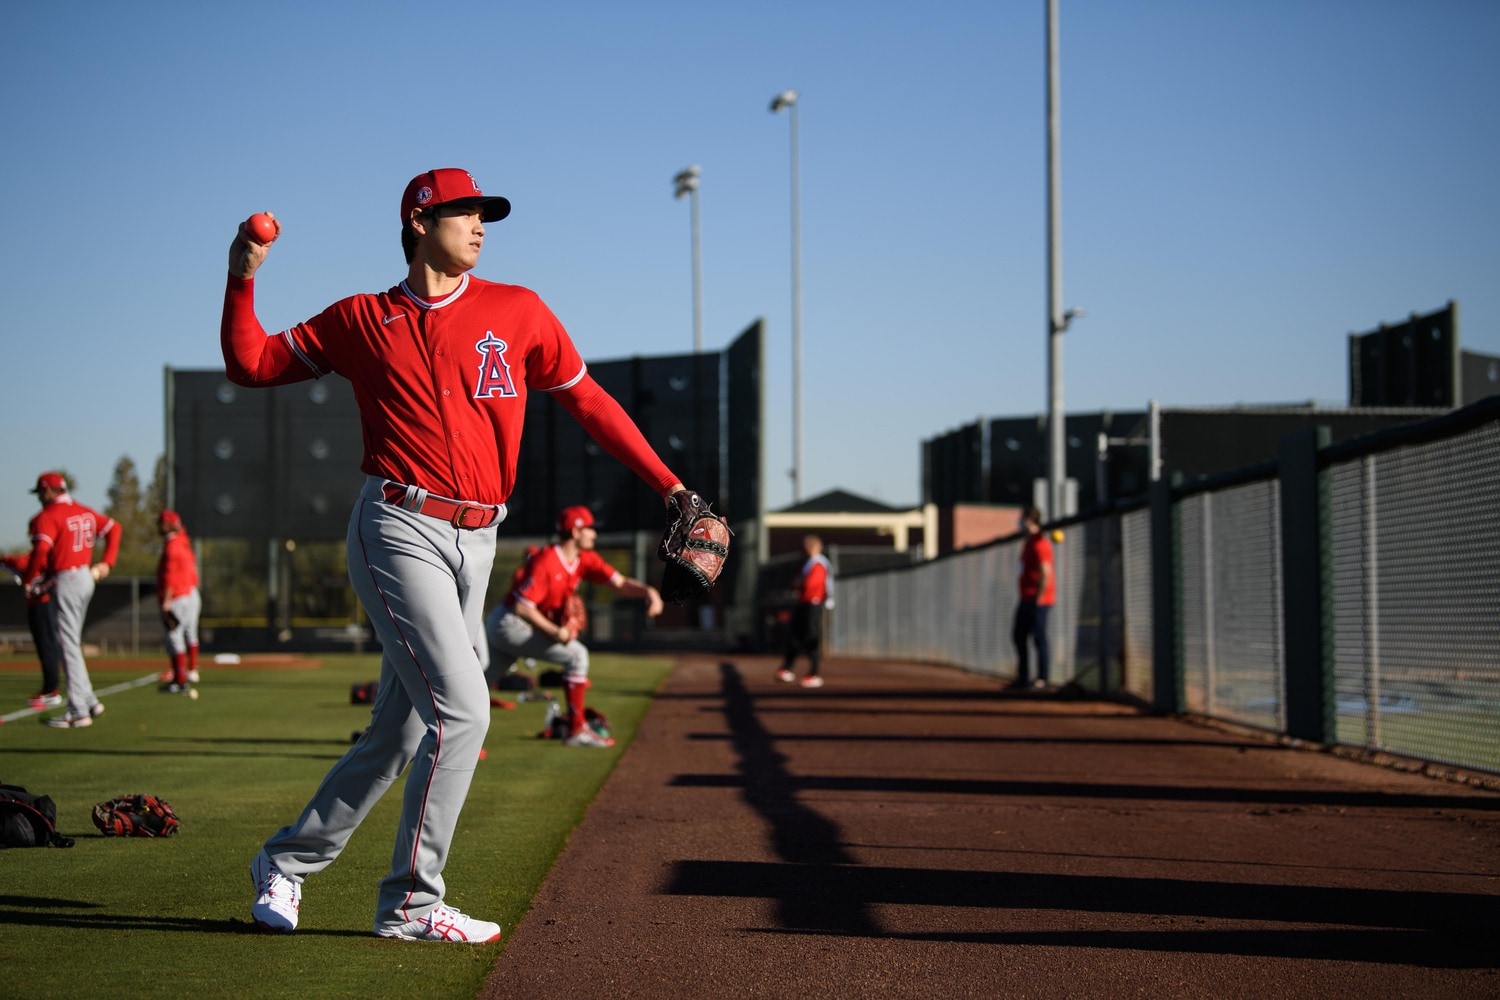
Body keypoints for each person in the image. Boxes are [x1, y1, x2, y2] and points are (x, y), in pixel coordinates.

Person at [221, 167, 692, 943]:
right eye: (464, 212)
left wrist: (671, 487)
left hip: (480, 540)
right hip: (398, 525)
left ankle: (285, 862)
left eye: (484, 214)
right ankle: (409, 905)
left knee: (401, 734)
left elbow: (589, 400)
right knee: (465, 708)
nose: (479, 224)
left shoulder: (518, 309)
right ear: (417, 222)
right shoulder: (361, 319)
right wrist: (242, 278)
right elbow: (253, 364)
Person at [484, 505, 664, 747]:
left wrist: (649, 592)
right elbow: (523, 607)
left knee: (479, 685)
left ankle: (453, 741)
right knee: (577, 656)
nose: (594, 534)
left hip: (512, 623)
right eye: (590, 529)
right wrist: (557, 632)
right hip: (511, 623)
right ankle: (576, 729)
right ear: (576, 531)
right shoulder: (547, 561)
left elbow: (620, 584)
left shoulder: (583, 559)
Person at [19, 471, 121, 728]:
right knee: (71, 643)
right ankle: (89, 700)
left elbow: (41, 551)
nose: (40, 499)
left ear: (48, 491)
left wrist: (30, 580)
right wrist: (107, 562)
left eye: (41, 494)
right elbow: (114, 528)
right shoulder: (84, 511)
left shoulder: (48, 516)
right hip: (84, 576)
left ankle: (78, 711)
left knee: (67, 646)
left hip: (68, 579)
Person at [2, 552, 64, 710]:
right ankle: (51, 689)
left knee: (47, 647)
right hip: (41, 605)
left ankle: (51, 690)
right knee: (47, 646)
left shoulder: (43, 559)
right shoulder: (28, 560)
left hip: (43, 605)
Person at [775, 534, 832, 688]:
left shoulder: (819, 563)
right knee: (795, 635)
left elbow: (809, 584)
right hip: (804, 603)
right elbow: (797, 582)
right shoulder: (808, 563)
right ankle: (787, 668)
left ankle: (814, 674)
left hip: (813, 604)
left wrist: (800, 584)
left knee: (811, 637)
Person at [155, 510, 202, 694]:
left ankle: (180, 680)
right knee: (187, 634)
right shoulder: (182, 542)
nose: (159, 526)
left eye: (161, 523)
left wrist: (166, 601)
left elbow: (170, 578)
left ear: (166, 525)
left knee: (174, 637)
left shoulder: (172, 546)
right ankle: (185, 674)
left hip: (178, 596)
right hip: (189, 592)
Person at [1011, 506, 1056, 690]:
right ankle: (1023, 678)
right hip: (1026, 597)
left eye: (1023, 518)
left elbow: (1046, 572)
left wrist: (1039, 597)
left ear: (1030, 519)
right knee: (1019, 636)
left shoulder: (1041, 543)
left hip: (1039, 600)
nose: (1020, 522)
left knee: (1039, 638)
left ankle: (1042, 679)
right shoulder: (1028, 542)